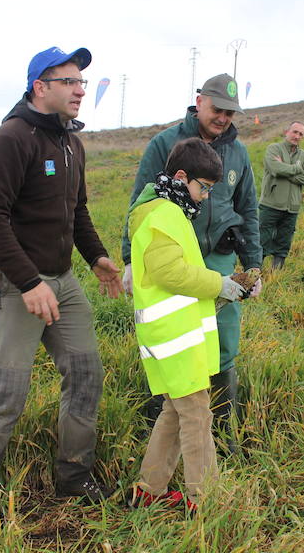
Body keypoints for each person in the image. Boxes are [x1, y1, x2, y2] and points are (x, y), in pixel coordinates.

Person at [0, 46, 123, 502]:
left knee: (85, 372)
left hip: (62, 281)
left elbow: (77, 212)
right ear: (41, 87)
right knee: (7, 389)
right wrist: (30, 282)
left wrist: (96, 257)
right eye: (69, 82)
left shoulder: (71, 143)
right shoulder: (11, 139)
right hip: (14, 279)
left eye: (82, 82)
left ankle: (74, 475)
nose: (80, 90)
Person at [120, 73, 262, 447]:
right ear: (199, 101)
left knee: (223, 345)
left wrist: (253, 264)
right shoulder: (165, 143)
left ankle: (222, 437)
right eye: (217, 109)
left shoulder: (239, 152)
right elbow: (141, 200)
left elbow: (248, 208)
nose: (223, 117)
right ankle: (161, 433)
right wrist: (130, 260)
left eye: (231, 112)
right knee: (175, 346)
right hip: (172, 259)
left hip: (219, 259)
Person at [126, 138, 246, 513]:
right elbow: (170, 273)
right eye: (204, 187)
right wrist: (218, 283)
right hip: (174, 339)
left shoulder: (165, 210)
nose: (206, 196)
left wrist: (225, 290)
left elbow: (178, 275)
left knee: (175, 413)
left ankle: (150, 489)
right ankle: (205, 501)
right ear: (181, 177)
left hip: (174, 337)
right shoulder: (163, 213)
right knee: (197, 416)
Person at [259, 121, 304, 270]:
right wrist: (297, 168)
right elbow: (275, 169)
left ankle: (276, 274)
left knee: (283, 242)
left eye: (300, 134)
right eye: (294, 132)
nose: (297, 136)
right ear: (287, 132)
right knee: (261, 239)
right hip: (270, 204)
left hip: (292, 207)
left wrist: (286, 170)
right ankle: (254, 273)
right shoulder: (273, 149)